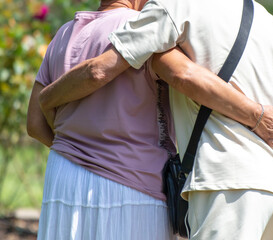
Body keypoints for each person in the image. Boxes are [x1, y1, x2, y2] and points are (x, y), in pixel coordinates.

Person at [36, 0, 273, 239]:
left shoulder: (174, 9)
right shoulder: (270, 22)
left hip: (228, 178)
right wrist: (258, 115)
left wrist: (47, 101)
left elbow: (175, 73)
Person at [27, 0, 177, 239]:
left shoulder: (64, 33)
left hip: (63, 178)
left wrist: (77, 148)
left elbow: (34, 124)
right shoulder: (144, 28)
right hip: (132, 186)